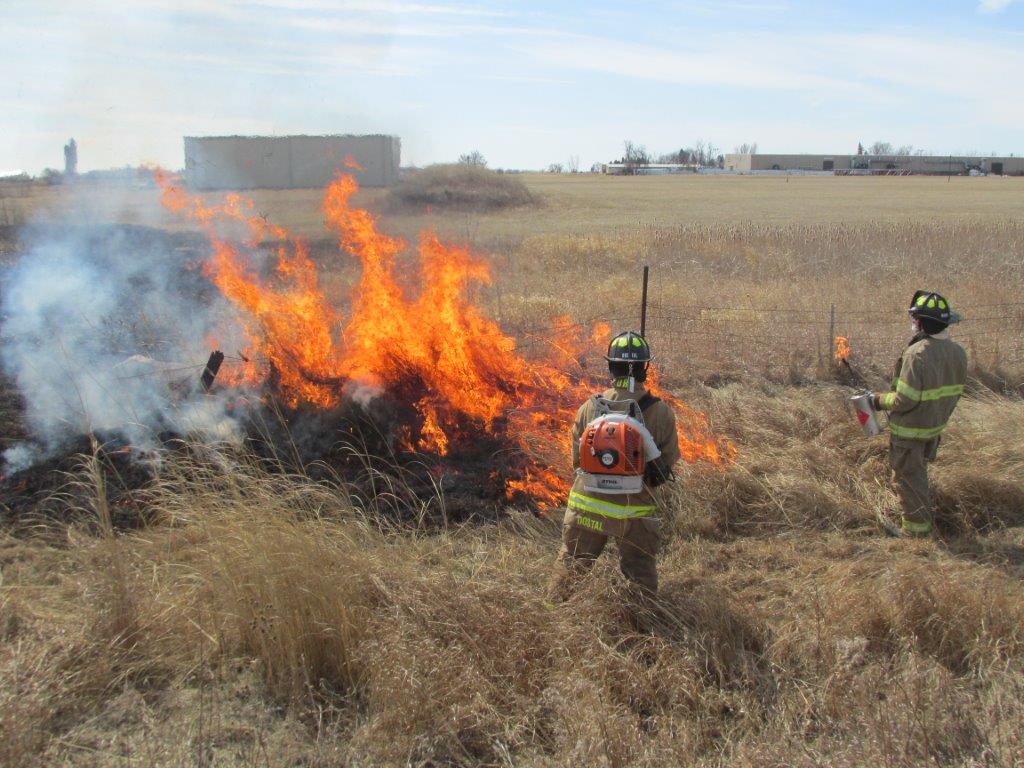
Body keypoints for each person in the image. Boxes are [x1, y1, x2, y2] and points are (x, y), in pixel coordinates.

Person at [548, 331, 680, 599]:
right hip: (635, 513)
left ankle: (552, 615)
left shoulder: (589, 408)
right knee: (640, 576)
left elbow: (577, 462)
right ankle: (642, 630)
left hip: (587, 509)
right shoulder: (661, 412)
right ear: (645, 367)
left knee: (570, 570)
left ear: (611, 366)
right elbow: (664, 468)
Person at [872, 291, 967, 537]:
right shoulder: (957, 352)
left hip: (910, 432)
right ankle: (919, 522)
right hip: (933, 428)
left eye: (916, 318)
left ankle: (915, 535)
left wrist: (877, 401)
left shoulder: (917, 354)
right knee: (916, 476)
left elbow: (905, 399)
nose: (913, 323)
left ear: (922, 322)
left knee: (909, 481)